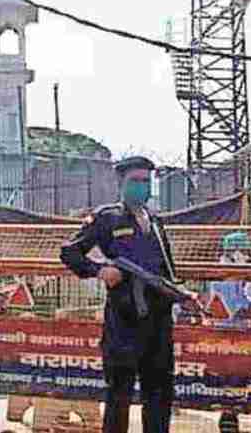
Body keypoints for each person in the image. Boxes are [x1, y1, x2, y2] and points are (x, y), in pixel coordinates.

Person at [61, 156, 185, 433]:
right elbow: (69, 251)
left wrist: (180, 292)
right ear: (121, 183)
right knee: (119, 397)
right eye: (135, 181)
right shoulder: (108, 218)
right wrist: (99, 270)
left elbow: (166, 268)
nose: (141, 187)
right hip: (124, 321)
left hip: (158, 321)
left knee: (159, 395)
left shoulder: (154, 221)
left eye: (145, 181)